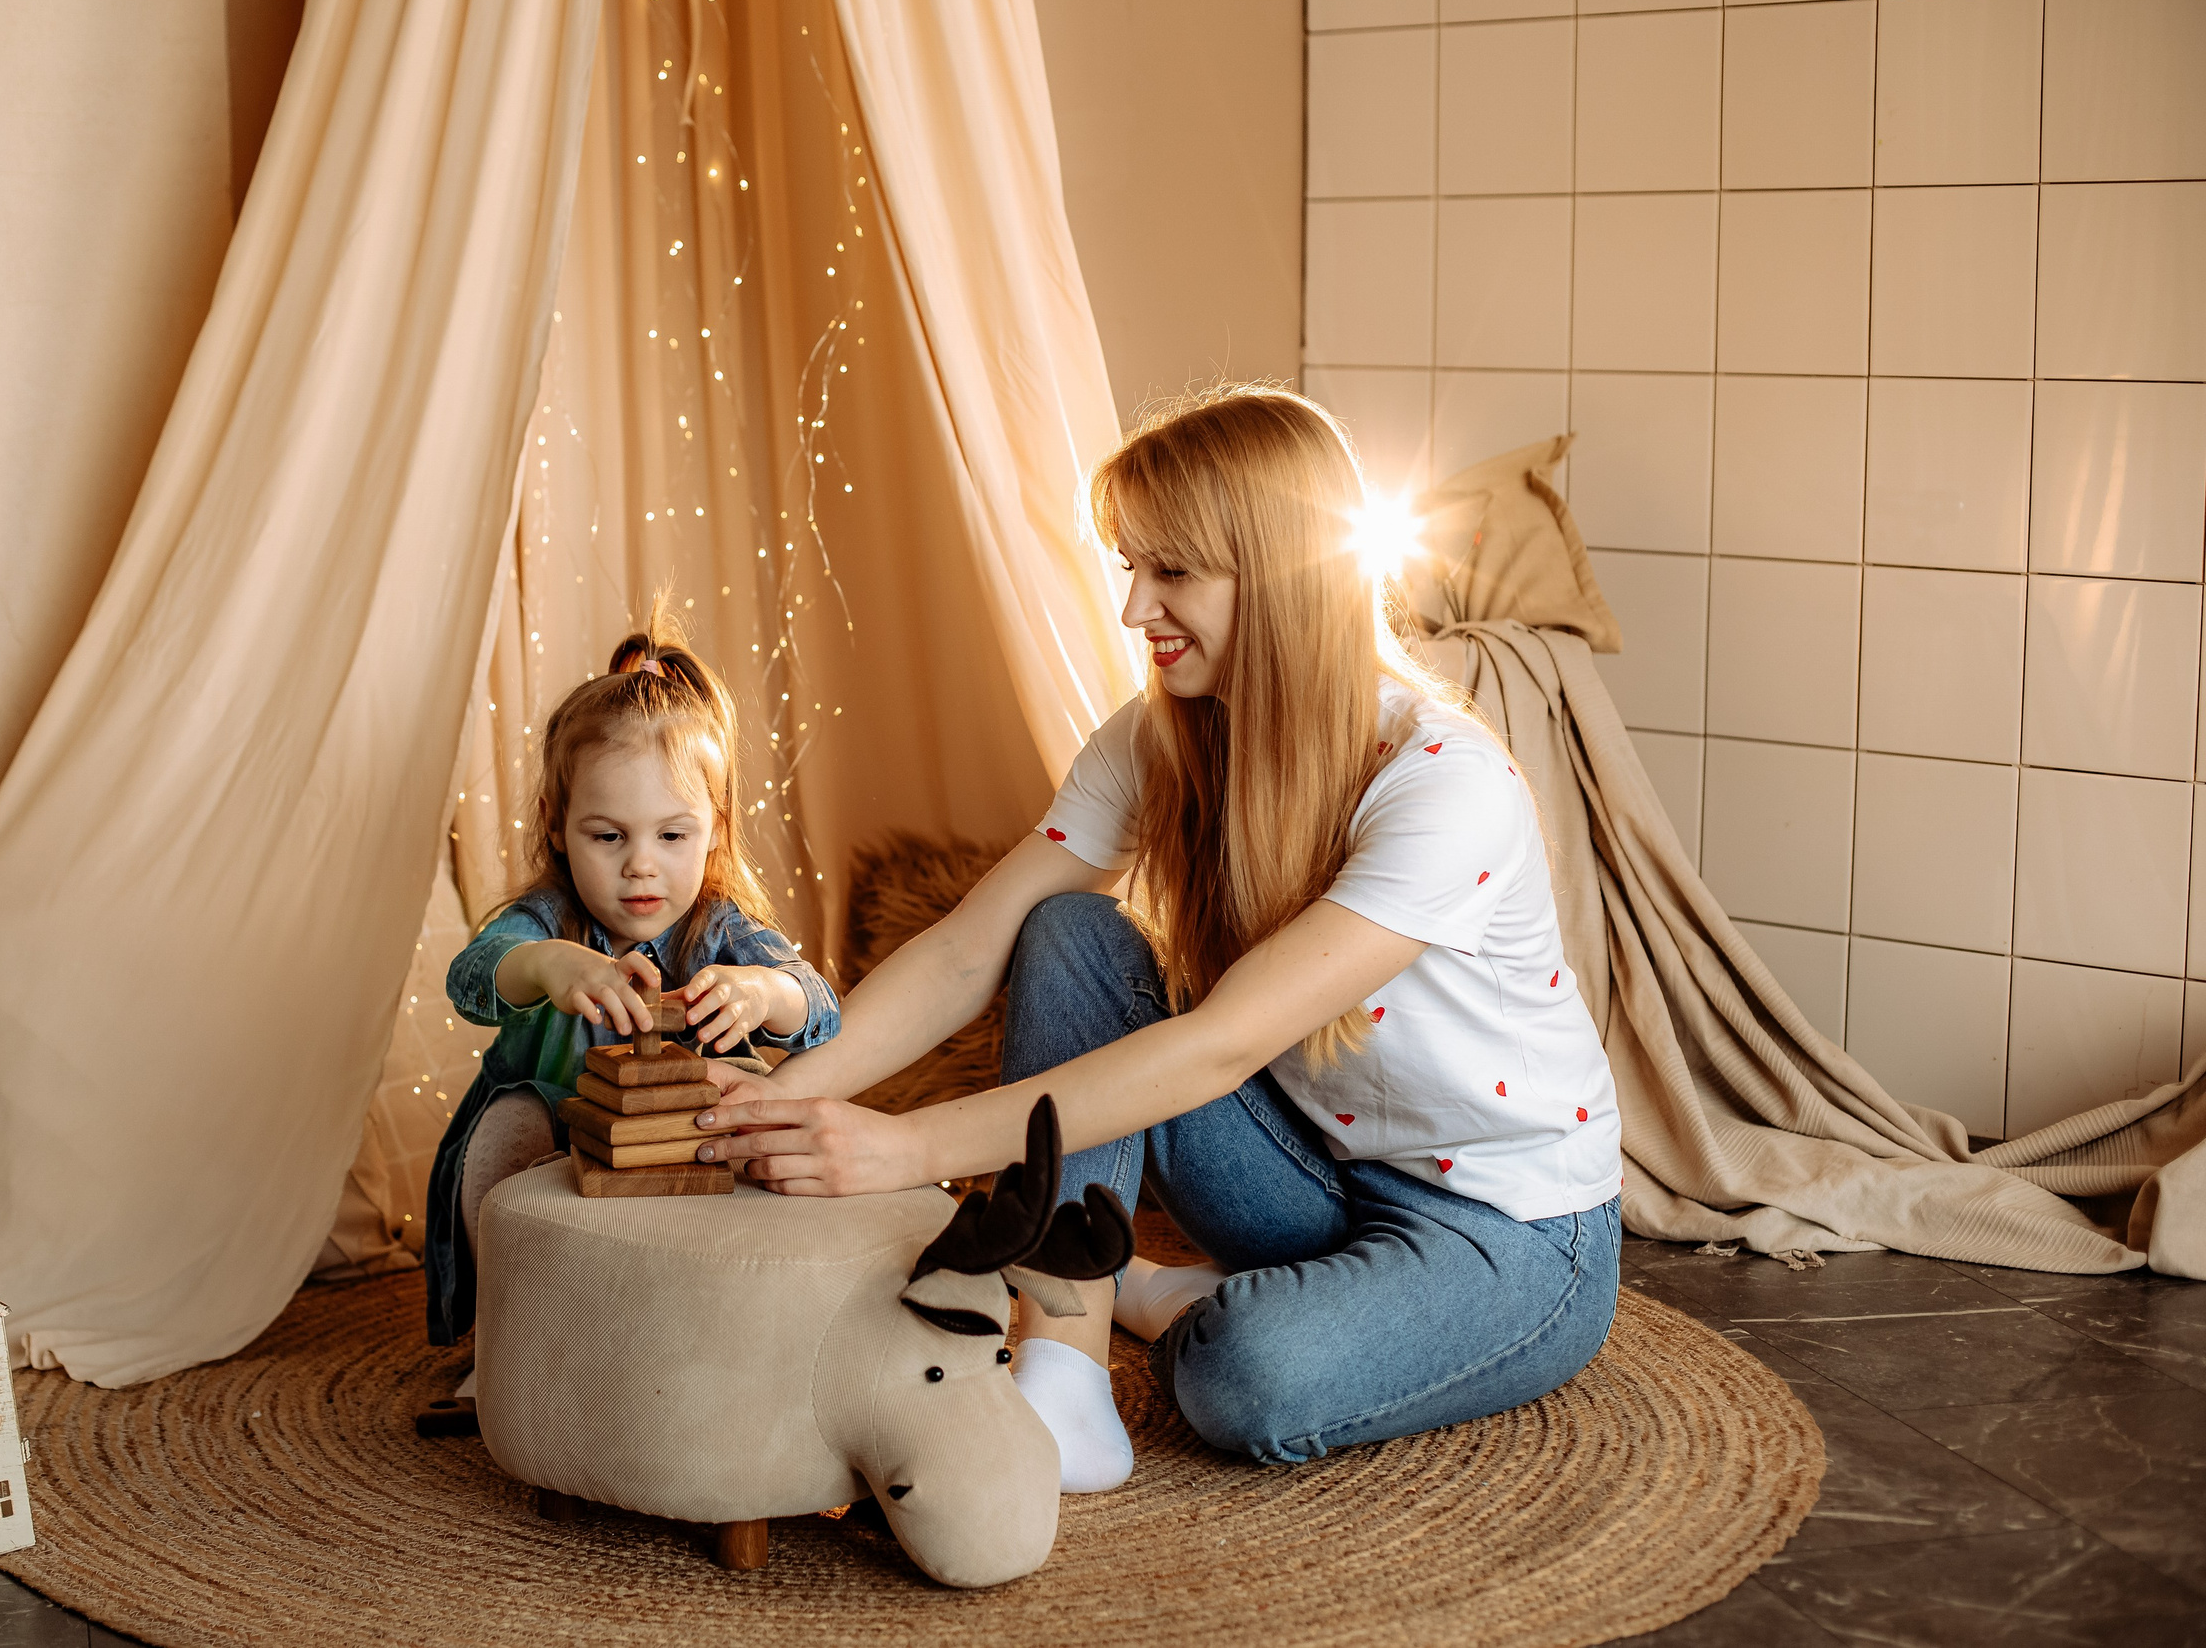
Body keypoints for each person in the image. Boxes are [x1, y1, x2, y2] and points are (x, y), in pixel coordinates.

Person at [692, 385, 1623, 1493]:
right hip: (1314, 1175)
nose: (1135, 608)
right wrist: (793, 1093)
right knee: (1068, 931)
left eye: (1171, 571)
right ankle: (1064, 1367)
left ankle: (1164, 1294)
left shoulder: (1445, 785)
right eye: (1131, 567)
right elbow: (967, 946)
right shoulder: (1161, 738)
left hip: (1511, 1230)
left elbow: (1218, 1044)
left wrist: (910, 1148)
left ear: (1283, 577)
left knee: (1245, 1377)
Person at [421, 600, 840, 1356]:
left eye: (672, 835)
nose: (641, 863)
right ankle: (512, 1346)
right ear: (556, 822)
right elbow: (471, 975)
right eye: (608, 835)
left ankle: (729, 1335)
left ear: (714, 827)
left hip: (681, 1144)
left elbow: (820, 1007)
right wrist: (548, 965)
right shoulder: (550, 920)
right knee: (503, 1130)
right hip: (554, 1139)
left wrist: (761, 993)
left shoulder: (717, 927)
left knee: (758, 1119)